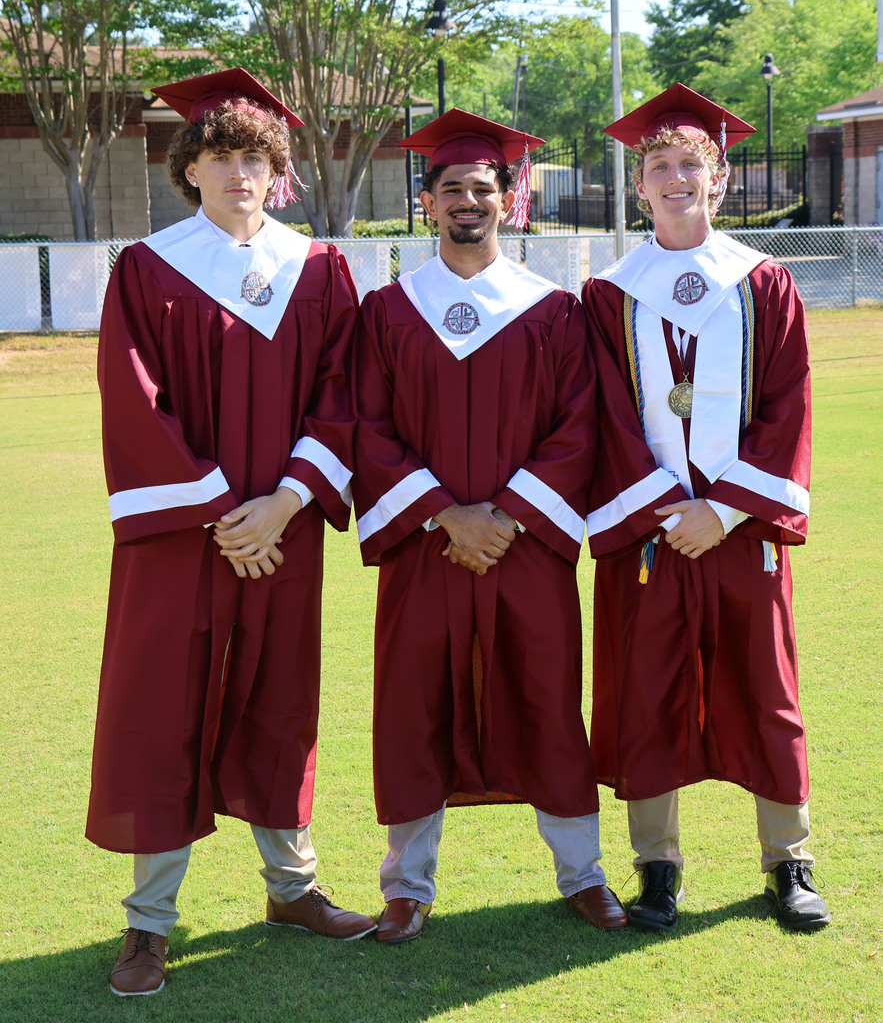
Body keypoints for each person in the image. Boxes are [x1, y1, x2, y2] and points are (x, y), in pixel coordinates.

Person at [87, 68, 376, 998]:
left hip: (283, 533)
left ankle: (292, 888)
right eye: (219, 157)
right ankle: (149, 923)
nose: (237, 173)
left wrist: (284, 504)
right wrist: (221, 510)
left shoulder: (320, 270)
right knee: (162, 710)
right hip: (184, 538)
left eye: (254, 157)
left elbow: (347, 399)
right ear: (191, 170)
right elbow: (135, 402)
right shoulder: (148, 268)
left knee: (278, 703)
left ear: (276, 170)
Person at [352, 108, 627, 943]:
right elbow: (366, 425)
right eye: (450, 189)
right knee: (412, 704)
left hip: (523, 548)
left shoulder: (553, 311)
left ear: (508, 200)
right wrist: (444, 514)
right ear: (426, 202)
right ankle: (407, 886)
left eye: (482, 187)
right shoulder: (388, 312)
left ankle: (583, 874)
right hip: (425, 550)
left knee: (547, 697)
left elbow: (579, 427)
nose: (467, 200)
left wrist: (502, 517)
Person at [582, 83, 831, 932]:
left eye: (691, 163)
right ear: (638, 185)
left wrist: (720, 513)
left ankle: (787, 861)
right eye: (658, 165)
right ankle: (657, 867)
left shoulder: (764, 284)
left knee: (766, 690)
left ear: (718, 180)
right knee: (645, 689)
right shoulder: (607, 296)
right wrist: (667, 511)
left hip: (741, 531)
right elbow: (603, 419)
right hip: (652, 536)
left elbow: (786, 407)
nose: (675, 177)